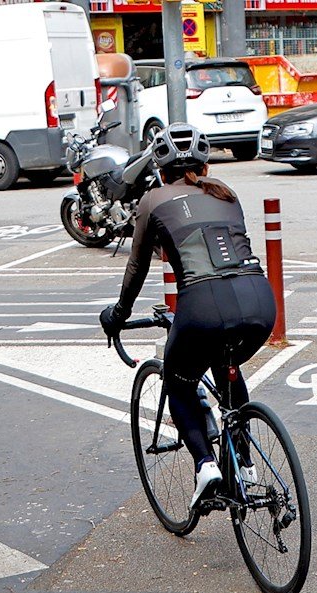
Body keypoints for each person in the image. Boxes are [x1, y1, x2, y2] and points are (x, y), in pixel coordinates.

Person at [101, 127, 274, 515]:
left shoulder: (152, 199)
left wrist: (119, 314)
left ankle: (206, 467)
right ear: (205, 163)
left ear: (159, 168)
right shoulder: (224, 191)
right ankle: (245, 465)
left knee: (178, 382)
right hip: (259, 302)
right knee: (227, 367)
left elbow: (137, 264)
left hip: (202, 306)